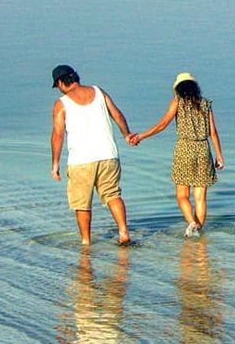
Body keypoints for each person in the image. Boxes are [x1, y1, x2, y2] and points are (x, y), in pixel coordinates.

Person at [129, 72, 224, 237]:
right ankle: (198, 232)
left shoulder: (177, 102)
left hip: (184, 149)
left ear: (178, 89)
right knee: (200, 198)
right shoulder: (205, 104)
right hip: (203, 149)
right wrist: (219, 155)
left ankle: (192, 223)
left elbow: (163, 124)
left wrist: (141, 136)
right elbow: (213, 132)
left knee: (182, 196)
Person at [50, 64, 133, 246]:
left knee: (82, 202)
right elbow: (117, 115)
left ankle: (86, 242)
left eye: (57, 86)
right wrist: (126, 134)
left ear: (61, 83)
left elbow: (58, 134)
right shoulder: (98, 91)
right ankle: (123, 232)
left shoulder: (61, 103)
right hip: (108, 155)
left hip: (81, 160)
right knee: (112, 194)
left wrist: (55, 163)